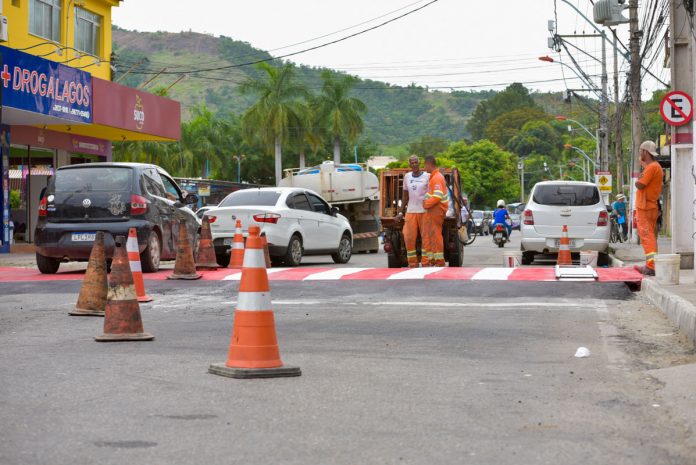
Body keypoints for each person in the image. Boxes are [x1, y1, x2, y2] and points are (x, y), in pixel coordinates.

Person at [634, 140, 663, 276]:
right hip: (651, 206)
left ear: (645, 152)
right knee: (650, 235)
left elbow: (640, 184)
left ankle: (651, 266)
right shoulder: (654, 167)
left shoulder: (651, 167)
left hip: (645, 207)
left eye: (640, 150)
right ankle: (651, 264)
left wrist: (638, 177)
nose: (639, 153)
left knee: (647, 236)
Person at [398, 155, 430, 267]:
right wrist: (401, 212)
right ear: (409, 165)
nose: (415, 164)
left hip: (425, 211)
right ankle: (412, 263)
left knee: (426, 237)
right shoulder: (407, 177)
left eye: (416, 162)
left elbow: (432, 194)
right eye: (412, 163)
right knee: (408, 237)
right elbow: (405, 197)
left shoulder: (428, 176)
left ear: (419, 163)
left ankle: (426, 262)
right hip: (411, 211)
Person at [422, 155, 449, 267]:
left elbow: (438, 196)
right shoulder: (434, 177)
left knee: (435, 234)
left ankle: (439, 261)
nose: (424, 168)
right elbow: (433, 194)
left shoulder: (436, 177)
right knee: (431, 235)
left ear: (429, 164)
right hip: (433, 209)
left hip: (436, 209)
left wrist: (426, 204)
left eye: (425, 165)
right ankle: (433, 260)